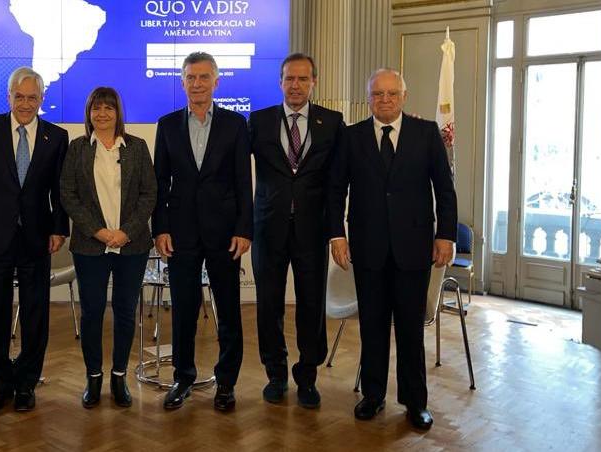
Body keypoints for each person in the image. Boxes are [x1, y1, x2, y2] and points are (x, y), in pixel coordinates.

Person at [328, 68, 457, 430]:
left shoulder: (426, 133)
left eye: (391, 93)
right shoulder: (351, 137)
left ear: (404, 95)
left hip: (414, 249)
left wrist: (446, 235)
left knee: (410, 331)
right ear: (368, 98)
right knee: (372, 328)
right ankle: (372, 395)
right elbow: (335, 191)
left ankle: (415, 402)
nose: (385, 100)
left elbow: (445, 190)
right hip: (367, 250)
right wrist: (336, 235)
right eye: (377, 94)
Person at [0, 66, 70, 413]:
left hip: (37, 236)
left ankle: (26, 382)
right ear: (8, 97)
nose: (25, 104)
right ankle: (0, 381)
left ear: (41, 99)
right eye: (19, 97)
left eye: (32, 97)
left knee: (36, 311)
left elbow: (59, 190)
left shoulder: (57, 136)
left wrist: (59, 228)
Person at [153, 52, 253, 411]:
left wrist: (244, 229)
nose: (197, 84)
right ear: (182, 83)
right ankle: (183, 378)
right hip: (180, 233)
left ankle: (226, 383)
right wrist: (160, 228)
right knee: (183, 309)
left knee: (228, 309)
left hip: (225, 232)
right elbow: (160, 183)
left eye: (204, 77)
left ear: (216, 82)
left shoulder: (235, 124)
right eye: (191, 78)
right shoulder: (166, 125)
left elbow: (244, 182)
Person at [249, 53, 344, 408]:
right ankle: (275, 374)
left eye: (303, 79)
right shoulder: (258, 121)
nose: (296, 85)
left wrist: (336, 231)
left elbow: (337, 184)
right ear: (280, 82)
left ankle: (307, 376)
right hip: (267, 230)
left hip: (311, 230)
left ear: (314, 82)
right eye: (289, 78)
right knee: (268, 304)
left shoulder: (332, 123)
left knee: (311, 304)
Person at [59, 87, 156, 409]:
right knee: (92, 312)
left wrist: (125, 232)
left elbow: (149, 195)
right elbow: (68, 195)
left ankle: (118, 377)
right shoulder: (77, 149)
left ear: (118, 113)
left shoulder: (137, 148)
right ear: (88, 113)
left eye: (108, 108)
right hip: (90, 245)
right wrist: (99, 232)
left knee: (126, 312)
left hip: (132, 244)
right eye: (96, 108)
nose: (102, 114)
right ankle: (93, 378)